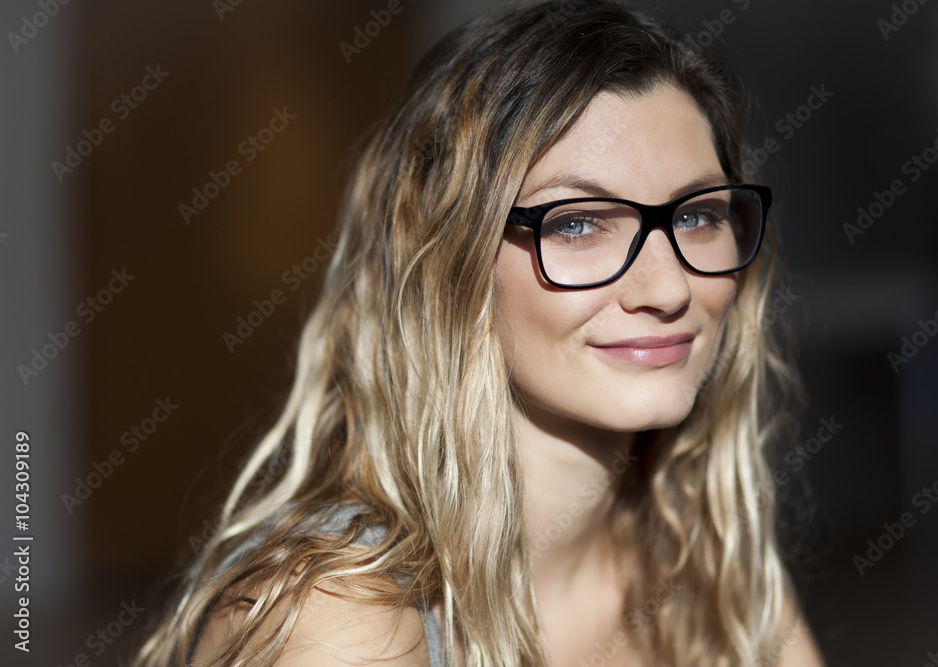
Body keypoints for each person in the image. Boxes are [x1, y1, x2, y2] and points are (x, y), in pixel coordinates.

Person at [134, 0, 826, 665]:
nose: (670, 287)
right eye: (577, 222)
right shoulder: (343, 620)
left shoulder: (710, 558)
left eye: (697, 215)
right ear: (448, 264)